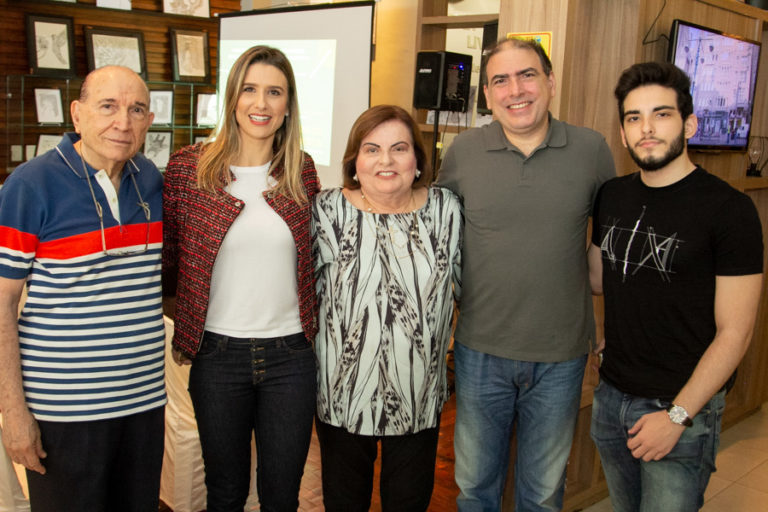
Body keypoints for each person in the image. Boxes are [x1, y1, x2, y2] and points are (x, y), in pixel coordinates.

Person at [437, 38, 616, 511]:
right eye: (501, 80)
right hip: (479, 352)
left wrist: (610, 324)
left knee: (541, 494)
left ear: (550, 82)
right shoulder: (463, 152)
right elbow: (430, 234)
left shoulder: (592, 149)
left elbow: (614, 250)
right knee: (476, 490)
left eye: (528, 75)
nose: (515, 90)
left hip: (561, 356)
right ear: (488, 94)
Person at [588, 61, 764, 512]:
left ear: (689, 123)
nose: (646, 128)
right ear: (623, 133)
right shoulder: (612, 195)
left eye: (661, 114)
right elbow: (600, 280)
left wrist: (677, 416)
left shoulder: (730, 209)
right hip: (612, 400)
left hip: (682, 410)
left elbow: (736, 332)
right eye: (633, 118)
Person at [0, 66, 165, 511]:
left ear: (149, 120)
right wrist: (13, 413)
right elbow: (1, 306)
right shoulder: (29, 185)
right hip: (64, 412)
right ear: (77, 114)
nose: (123, 122)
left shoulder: (149, 178)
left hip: (143, 404)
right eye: (107, 106)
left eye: (136, 110)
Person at [162, 46, 319, 512]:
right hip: (217, 357)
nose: (261, 103)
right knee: (225, 492)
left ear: (288, 105)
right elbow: (169, 260)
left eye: (275, 92)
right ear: (233, 97)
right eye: (250, 89)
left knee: (281, 496)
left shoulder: (300, 171)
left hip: (291, 358)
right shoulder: (189, 169)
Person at [312, 104, 462, 511]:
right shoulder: (325, 212)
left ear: (417, 161)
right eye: (372, 149)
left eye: (399, 148)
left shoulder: (447, 211)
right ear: (354, 163)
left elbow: (469, 289)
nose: (386, 160)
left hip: (418, 398)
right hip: (342, 397)